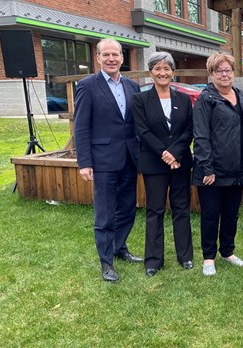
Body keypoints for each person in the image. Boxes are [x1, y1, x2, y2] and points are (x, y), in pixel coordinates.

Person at [74, 38, 143, 281]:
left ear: (122, 58)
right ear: (98, 58)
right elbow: (81, 127)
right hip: (102, 161)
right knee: (104, 215)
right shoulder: (87, 85)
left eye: (116, 55)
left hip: (129, 159)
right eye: (107, 55)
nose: (111, 59)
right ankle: (106, 263)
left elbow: (136, 123)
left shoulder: (132, 87)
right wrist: (84, 162)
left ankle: (119, 247)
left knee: (127, 209)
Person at [192, 52, 243, 276]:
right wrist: (206, 167)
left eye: (228, 70)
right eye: (219, 71)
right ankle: (209, 257)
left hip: (238, 168)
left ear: (233, 72)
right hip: (214, 170)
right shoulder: (206, 99)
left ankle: (228, 251)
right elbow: (201, 136)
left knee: (231, 213)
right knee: (211, 214)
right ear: (211, 74)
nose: (224, 74)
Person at [133, 52, 194, 277]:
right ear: (151, 72)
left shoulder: (184, 99)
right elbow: (142, 131)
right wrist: (165, 154)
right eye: (157, 68)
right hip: (154, 164)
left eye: (167, 68)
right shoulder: (140, 100)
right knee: (155, 211)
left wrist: (175, 154)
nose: (162, 73)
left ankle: (185, 256)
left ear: (173, 72)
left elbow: (190, 129)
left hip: (180, 164)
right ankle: (153, 260)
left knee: (181, 209)